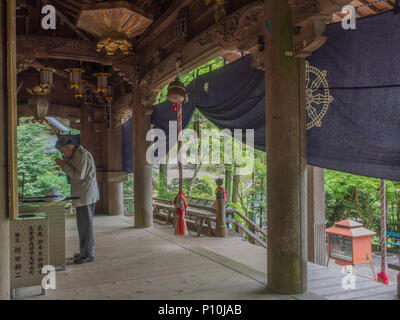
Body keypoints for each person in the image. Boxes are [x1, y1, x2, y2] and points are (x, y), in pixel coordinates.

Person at [55, 136, 99, 264]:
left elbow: (79, 175)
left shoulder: (82, 155)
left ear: (69, 146)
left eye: (62, 151)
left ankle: (88, 254)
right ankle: (84, 251)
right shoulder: (75, 155)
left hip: (85, 195)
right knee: (82, 226)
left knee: (86, 226)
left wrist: (64, 165)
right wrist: (65, 164)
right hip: (82, 195)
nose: (62, 154)